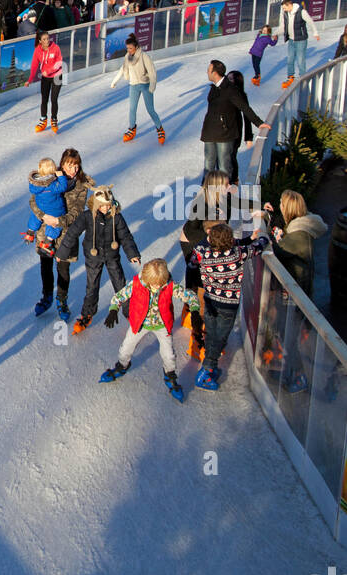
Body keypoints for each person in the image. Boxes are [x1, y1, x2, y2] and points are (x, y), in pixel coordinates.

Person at [99, 258, 200, 402]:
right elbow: (119, 296)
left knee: (169, 354)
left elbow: (190, 296)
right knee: (126, 347)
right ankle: (122, 365)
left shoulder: (169, 286)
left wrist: (195, 310)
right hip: (140, 323)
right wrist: (113, 309)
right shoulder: (137, 284)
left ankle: (170, 375)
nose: (157, 287)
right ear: (146, 278)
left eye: (160, 284)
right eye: (154, 284)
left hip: (162, 325)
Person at [190, 222, 268, 391]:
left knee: (211, 333)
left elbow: (193, 261)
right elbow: (257, 247)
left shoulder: (204, 253)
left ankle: (210, 365)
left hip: (210, 301)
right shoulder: (237, 254)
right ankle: (207, 370)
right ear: (231, 241)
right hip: (228, 305)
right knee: (221, 337)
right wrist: (263, 238)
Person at [54, 186, 141, 334]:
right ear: (96, 204)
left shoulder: (116, 217)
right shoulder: (87, 217)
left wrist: (132, 253)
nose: (106, 208)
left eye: (108, 204)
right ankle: (87, 314)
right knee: (92, 286)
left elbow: (125, 236)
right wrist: (62, 252)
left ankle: (130, 314)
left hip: (112, 256)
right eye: (102, 205)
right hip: (93, 256)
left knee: (120, 284)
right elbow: (72, 233)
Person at [30, 148, 95, 320]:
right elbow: (33, 200)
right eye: (69, 165)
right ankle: (47, 297)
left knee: (63, 268)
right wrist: (43, 216)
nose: (73, 169)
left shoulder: (81, 185)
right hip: (46, 230)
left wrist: (59, 221)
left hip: (67, 233)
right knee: (45, 266)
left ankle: (61, 300)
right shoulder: (49, 178)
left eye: (76, 166)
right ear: (62, 164)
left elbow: (78, 210)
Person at [180, 170, 231, 362]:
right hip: (193, 245)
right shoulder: (202, 205)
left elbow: (238, 203)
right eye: (226, 185)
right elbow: (190, 228)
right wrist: (207, 242)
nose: (229, 188)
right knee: (200, 287)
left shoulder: (221, 201)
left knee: (200, 286)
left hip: (204, 247)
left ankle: (191, 313)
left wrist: (258, 207)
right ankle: (197, 333)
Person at [200, 59, 268, 177]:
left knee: (224, 166)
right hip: (210, 133)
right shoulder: (214, 88)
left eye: (209, 70)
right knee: (208, 165)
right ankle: (206, 189)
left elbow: (245, 108)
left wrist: (258, 123)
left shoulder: (230, 90)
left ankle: (225, 193)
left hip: (224, 134)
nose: (207, 72)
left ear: (215, 73)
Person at [252, 190, 326, 298]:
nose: (280, 206)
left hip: (296, 291)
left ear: (287, 208)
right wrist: (266, 215)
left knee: (292, 314)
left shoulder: (299, 235)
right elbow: (280, 221)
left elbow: (274, 251)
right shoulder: (299, 223)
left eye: (281, 203)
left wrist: (262, 235)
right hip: (296, 284)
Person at [110, 34, 164, 146]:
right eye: (127, 48)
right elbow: (122, 69)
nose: (128, 50)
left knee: (150, 109)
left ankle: (160, 129)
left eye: (130, 48)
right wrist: (114, 81)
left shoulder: (144, 56)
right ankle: (132, 129)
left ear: (136, 47)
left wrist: (152, 86)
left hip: (145, 85)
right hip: (133, 85)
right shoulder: (127, 57)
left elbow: (152, 72)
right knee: (132, 109)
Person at [23, 156, 72, 259]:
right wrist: (61, 177)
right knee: (55, 223)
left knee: (35, 216)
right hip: (54, 209)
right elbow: (63, 187)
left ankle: (30, 232)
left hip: (41, 207)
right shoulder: (52, 184)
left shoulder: (35, 184)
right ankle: (48, 241)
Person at [27, 30, 63, 134]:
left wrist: (49, 70)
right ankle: (43, 120)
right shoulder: (37, 51)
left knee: (54, 99)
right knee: (44, 99)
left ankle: (54, 120)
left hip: (57, 76)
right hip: (45, 77)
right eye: (44, 39)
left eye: (48, 38)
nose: (47, 41)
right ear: (40, 41)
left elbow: (59, 62)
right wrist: (30, 79)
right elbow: (34, 66)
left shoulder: (55, 48)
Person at [279, 0, 320, 87]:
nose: (283, 10)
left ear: (289, 5)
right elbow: (283, 26)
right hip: (291, 40)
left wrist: (315, 33)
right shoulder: (285, 13)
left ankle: (302, 78)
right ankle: (290, 77)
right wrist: (275, 34)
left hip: (301, 40)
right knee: (290, 59)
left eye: (284, 8)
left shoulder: (302, 12)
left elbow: (310, 22)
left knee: (300, 60)